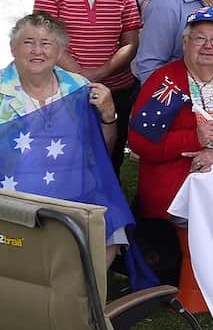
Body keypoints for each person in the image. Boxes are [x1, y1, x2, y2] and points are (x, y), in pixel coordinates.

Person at [2, 13, 129, 261]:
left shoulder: (78, 89)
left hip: (73, 190)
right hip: (13, 194)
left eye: (46, 43)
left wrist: (108, 115)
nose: (37, 50)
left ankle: (81, 297)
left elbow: (101, 149)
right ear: (13, 47)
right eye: (28, 42)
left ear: (59, 50)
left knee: (111, 220)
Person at [130, 7, 213, 221]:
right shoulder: (166, 82)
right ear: (185, 43)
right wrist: (193, 138)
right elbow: (139, 142)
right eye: (199, 38)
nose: (208, 46)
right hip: (182, 191)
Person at [33, 0, 141, 167]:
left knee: (110, 155)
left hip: (116, 89)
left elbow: (130, 43)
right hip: (63, 89)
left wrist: (99, 73)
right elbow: (46, 39)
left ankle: (106, 204)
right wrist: (81, 75)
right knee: (64, 156)